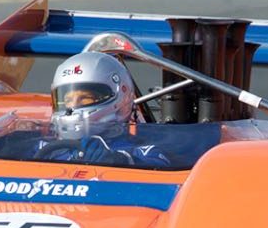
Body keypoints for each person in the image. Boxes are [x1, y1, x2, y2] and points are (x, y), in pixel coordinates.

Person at [33, 52, 170, 167]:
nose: (72, 107)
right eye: (67, 100)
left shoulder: (144, 152)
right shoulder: (47, 149)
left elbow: (160, 169)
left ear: (119, 97)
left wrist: (118, 160)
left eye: (85, 98)